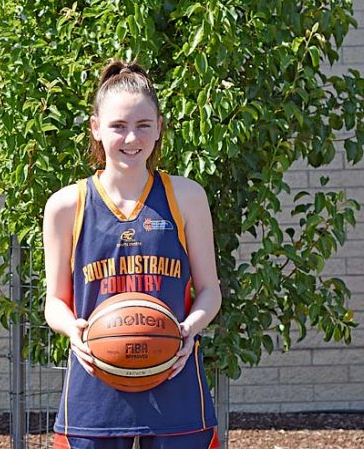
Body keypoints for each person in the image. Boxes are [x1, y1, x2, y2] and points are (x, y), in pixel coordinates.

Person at [43, 60, 222, 449]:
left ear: (159, 128)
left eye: (143, 125)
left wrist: (188, 329)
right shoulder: (66, 205)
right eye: (118, 126)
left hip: (174, 376)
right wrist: (73, 329)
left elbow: (210, 291)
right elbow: (54, 302)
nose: (131, 138)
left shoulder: (186, 196)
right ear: (95, 128)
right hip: (95, 383)